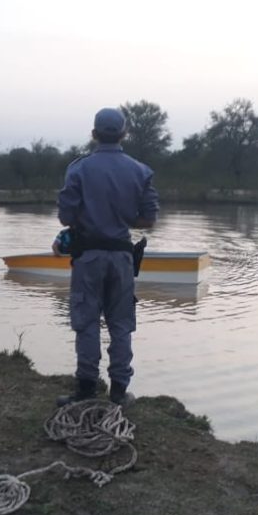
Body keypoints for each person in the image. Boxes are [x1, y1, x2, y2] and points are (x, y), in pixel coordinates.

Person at [56, 108, 159, 407]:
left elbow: (66, 216)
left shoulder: (78, 168)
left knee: (86, 322)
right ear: (124, 134)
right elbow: (148, 219)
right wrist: (123, 219)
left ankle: (86, 388)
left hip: (87, 257)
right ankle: (119, 391)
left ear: (94, 134)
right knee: (121, 323)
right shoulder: (141, 171)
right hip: (123, 257)